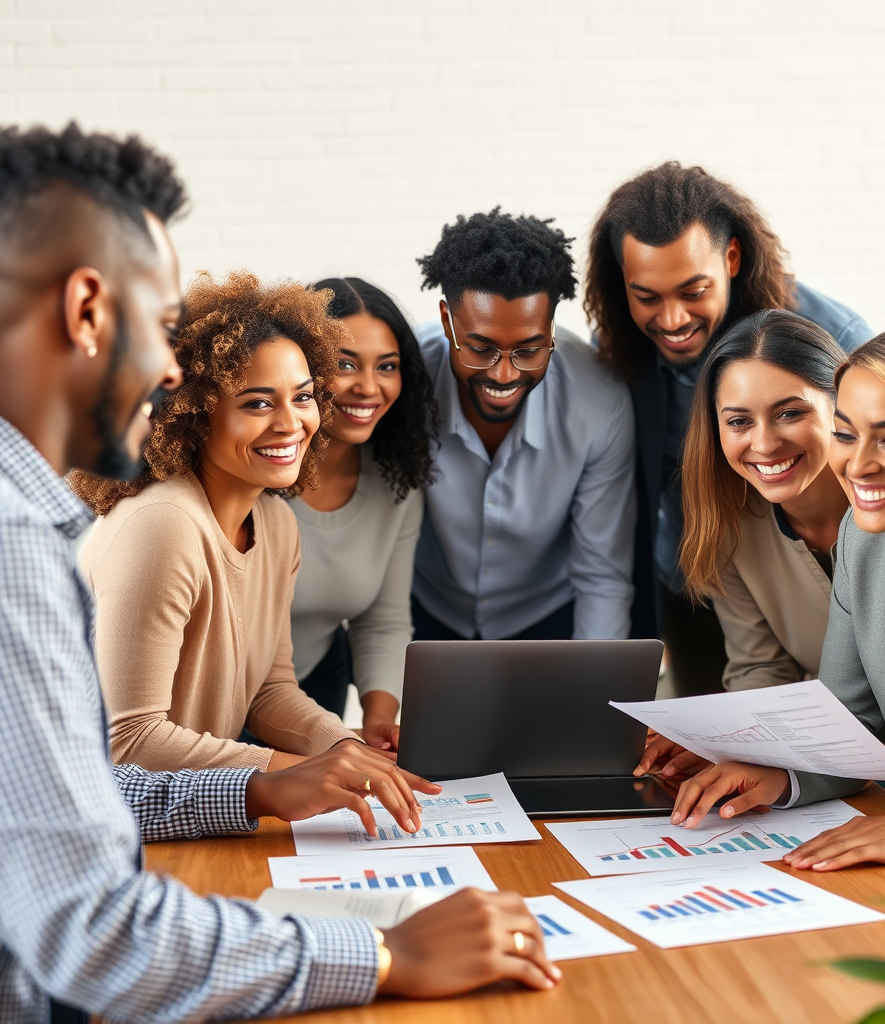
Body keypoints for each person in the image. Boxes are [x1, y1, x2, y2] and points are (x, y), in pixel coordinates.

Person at [0, 122, 559, 1024]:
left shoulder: (245, 520)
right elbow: (97, 919)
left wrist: (321, 758)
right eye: (160, 325)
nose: (169, 368)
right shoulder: (49, 543)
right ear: (87, 310)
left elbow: (120, 775)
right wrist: (379, 951)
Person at [668, 324, 885, 866]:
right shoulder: (865, 537)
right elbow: (847, 727)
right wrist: (777, 774)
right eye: (846, 434)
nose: (857, 465)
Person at [585, 162, 872, 693]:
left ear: (732, 258)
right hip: (698, 578)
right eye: (647, 296)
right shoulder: (627, 349)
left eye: (693, 290)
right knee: (722, 736)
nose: (671, 319)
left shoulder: (838, 342)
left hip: (833, 573)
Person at [73, 271, 374, 773]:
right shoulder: (163, 524)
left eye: (302, 397)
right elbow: (127, 741)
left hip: (193, 809)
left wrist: (347, 750)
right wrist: (294, 773)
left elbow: (270, 691)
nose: (289, 422)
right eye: (257, 403)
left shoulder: (276, 524)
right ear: (191, 413)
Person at [635, 310, 851, 779]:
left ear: (841, 406)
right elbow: (761, 673)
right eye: (738, 421)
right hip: (842, 766)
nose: (765, 443)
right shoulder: (729, 527)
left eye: (790, 413)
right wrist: (727, 742)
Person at [412, 207, 636, 641]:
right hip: (426, 611)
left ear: (551, 327)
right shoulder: (402, 378)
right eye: (480, 349)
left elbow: (602, 575)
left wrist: (597, 695)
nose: (504, 374)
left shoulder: (600, 400)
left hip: (546, 615)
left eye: (530, 350)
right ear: (447, 322)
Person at [291, 277, 438, 750]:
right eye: (345, 364)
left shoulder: (396, 483)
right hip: (209, 700)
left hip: (314, 683)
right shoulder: (252, 470)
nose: (369, 387)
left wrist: (379, 719)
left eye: (387, 366)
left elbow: (384, 619)